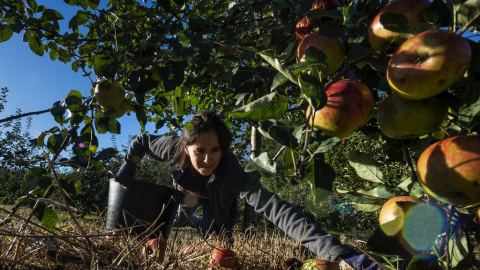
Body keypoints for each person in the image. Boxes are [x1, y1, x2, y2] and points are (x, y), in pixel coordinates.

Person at [114, 111, 382, 270]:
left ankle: (196, 222)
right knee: (164, 223)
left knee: (216, 245)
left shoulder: (231, 171)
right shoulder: (171, 148)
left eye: (215, 150)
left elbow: (276, 209)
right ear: (186, 149)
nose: (208, 160)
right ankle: (187, 218)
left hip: (218, 199)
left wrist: (335, 250)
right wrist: (129, 167)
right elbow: (141, 142)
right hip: (185, 193)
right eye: (200, 152)